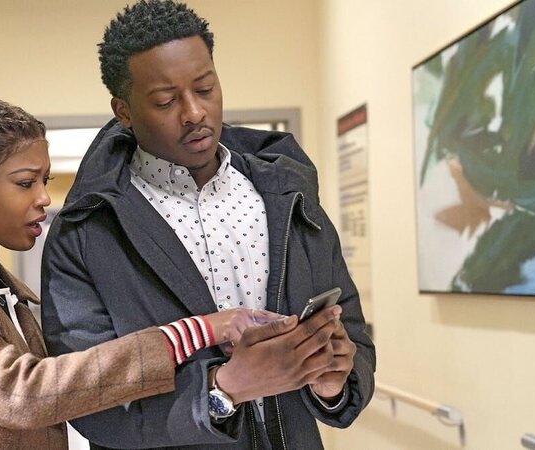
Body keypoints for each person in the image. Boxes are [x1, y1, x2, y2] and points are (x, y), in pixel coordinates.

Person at [0, 95, 288, 449]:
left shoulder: (5, 294)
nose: (44, 199)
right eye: (25, 183)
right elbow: (18, 394)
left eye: (44, 180)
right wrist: (201, 330)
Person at [40, 1, 376, 448]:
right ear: (123, 111)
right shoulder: (85, 233)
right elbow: (88, 399)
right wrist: (222, 390)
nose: (194, 112)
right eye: (166, 101)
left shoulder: (287, 194)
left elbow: (351, 332)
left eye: (205, 88)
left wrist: (332, 383)